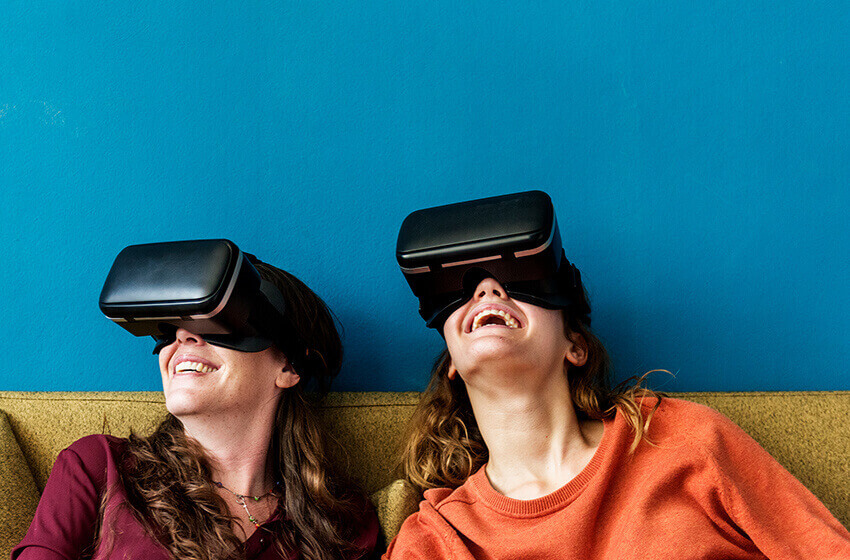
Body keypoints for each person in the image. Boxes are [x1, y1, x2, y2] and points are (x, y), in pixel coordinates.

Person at [385, 192, 850, 560]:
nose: (487, 288)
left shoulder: (685, 441)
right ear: (450, 362)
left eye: (516, 279)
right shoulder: (433, 541)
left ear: (576, 346)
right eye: (464, 290)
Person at [14, 245, 378, 560]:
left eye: (218, 321)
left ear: (288, 366)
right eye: (170, 327)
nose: (183, 335)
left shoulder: (343, 525)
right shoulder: (97, 467)